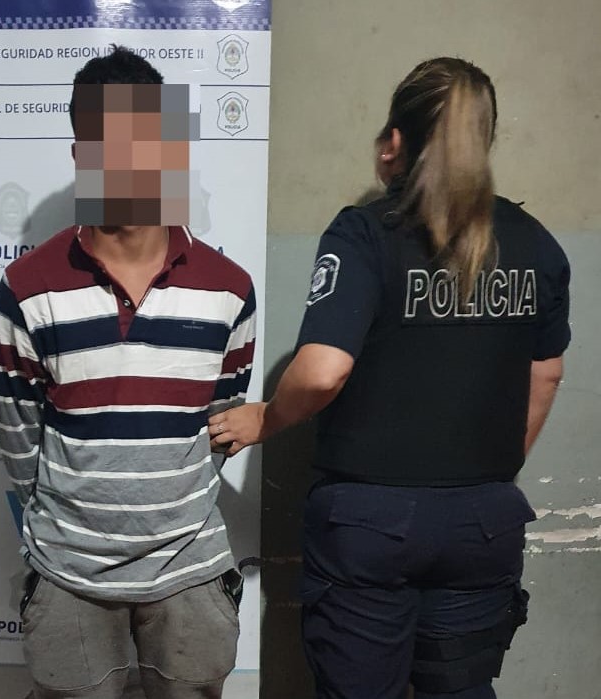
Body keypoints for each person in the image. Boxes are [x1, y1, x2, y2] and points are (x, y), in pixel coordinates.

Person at [209, 57, 570, 699]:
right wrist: (483, 476)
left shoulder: (364, 233)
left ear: (393, 143)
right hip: (483, 520)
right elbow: (546, 375)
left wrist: (265, 418)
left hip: (370, 524)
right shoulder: (536, 243)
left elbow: (322, 371)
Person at [0, 46, 256, 699]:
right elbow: (21, 440)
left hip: (189, 569)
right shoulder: (26, 288)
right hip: (69, 574)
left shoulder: (229, 290)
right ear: (79, 153)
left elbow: (220, 422)